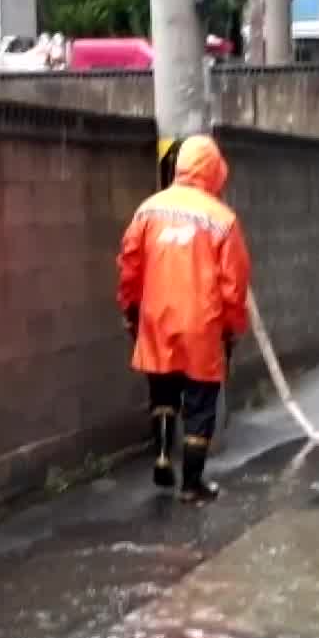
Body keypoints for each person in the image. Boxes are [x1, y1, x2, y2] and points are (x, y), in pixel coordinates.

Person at [116, 135, 253, 503]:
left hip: (156, 318)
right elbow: (234, 285)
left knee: (162, 390)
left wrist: (130, 310)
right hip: (202, 325)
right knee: (200, 403)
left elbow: (129, 267)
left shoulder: (147, 210)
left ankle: (162, 453)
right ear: (213, 170)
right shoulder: (223, 220)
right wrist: (232, 327)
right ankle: (192, 484)